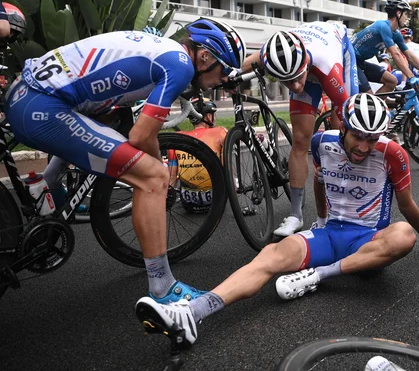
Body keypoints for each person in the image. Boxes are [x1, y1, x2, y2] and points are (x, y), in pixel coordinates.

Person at [135, 93, 419, 349]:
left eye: (373, 138)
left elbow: (407, 204)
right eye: (359, 137)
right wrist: (322, 220)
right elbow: (319, 182)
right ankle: (193, 312)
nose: (365, 147)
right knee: (272, 254)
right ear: (343, 127)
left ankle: (319, 275)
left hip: (368, 241)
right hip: (330, 236)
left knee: (403, 236)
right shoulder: (321, 143)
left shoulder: (392, 153)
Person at [5, 17, 245, 304]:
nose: (222, 80)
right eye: (224, 70)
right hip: (42, 106)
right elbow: (142, 136)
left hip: (23, 93)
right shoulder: (180, 65)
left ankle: (49, 187)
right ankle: (163, 288)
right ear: (204, 57)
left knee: (107, 120)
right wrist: (163, 171)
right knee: (152, 177)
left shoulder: (160, 47)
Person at [240, 21, 360, 237]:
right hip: (304, 59)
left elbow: (348, 116)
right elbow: (239, 68)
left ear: (304, 64)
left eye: (296, 79)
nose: (295, 87)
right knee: (300, 141)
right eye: (287, 82)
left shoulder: (326, 62)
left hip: (336, 49)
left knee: (346, 128)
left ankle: (348, 201)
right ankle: (296, 215)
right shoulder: (271, 53)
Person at [352, 0, 419, 94]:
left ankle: (377, 107)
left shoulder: (396, 34)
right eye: (405, 14)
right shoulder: (383, 26)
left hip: (360, 62)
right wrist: (411, 77)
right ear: (398, 13)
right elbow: (396, 54)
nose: (406, 18)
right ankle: (372, 107)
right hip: (349, 61)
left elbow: (409, 56)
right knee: (369, 97)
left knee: (392, 81)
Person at [171, 98, 227, 214]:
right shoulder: (220, 132)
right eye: (213, 115)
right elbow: (226, 168)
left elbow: (171, 176)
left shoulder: (178, 137)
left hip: (188, 203)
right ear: (208, 117)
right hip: (216, 202)